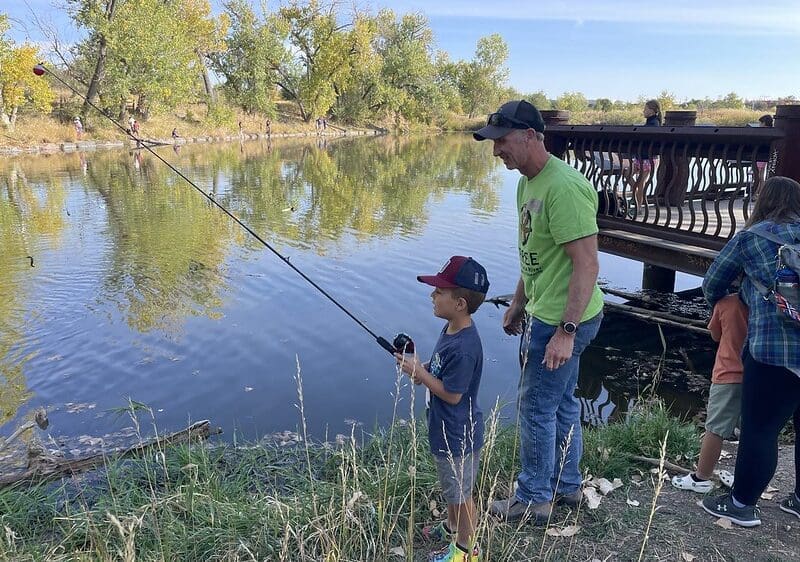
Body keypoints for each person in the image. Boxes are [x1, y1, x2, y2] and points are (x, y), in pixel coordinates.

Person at [473, 100, 604, 524]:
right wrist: (517, 302)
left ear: (530, 136)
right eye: (494, 144)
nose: (497, 152)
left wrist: (565, 330)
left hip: (567, 318)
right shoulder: (526, 182)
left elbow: (587, 264)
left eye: (503, 142)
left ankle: (533, 498)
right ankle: (566, 486)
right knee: (563, 402)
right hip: (545, 309)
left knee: (536, 406)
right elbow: (536, 253)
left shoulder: (563, 187)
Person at [700, 176, 800, 527]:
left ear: (763, 201)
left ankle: (741, 505)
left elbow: (711, 283)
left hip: (774, 350)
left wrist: (733, 304)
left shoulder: (751, 238)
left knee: (761, 429)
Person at [395, 255, 489, 562]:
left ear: (460, 303)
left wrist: (420, 374)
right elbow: (440, 375)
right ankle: (451, 528)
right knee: (453, 489)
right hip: (446, 429)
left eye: (439, 292)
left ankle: (466, 550)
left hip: (457, 433)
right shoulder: (451, 329)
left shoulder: (464, 347)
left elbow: (452, 395)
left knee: (461, 496)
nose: (432, 296)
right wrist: (420, 368)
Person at [671, 293, 747, 493]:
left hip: (728, 374)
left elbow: (715, 335)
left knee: (715, 429)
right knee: (753, 431)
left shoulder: (727, 303)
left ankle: (700, 478)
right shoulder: (766, 303)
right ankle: (745, 479)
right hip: (758, 375)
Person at [626, 99, 662, 217]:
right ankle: (636, 196)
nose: (644, 111)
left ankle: (638, 207)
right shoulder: (649, 123)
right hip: (640, 157)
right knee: (627, 174)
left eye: (646, 109)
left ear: (652, 111)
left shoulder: (654, 124)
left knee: (640, 182)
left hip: (648, 158)